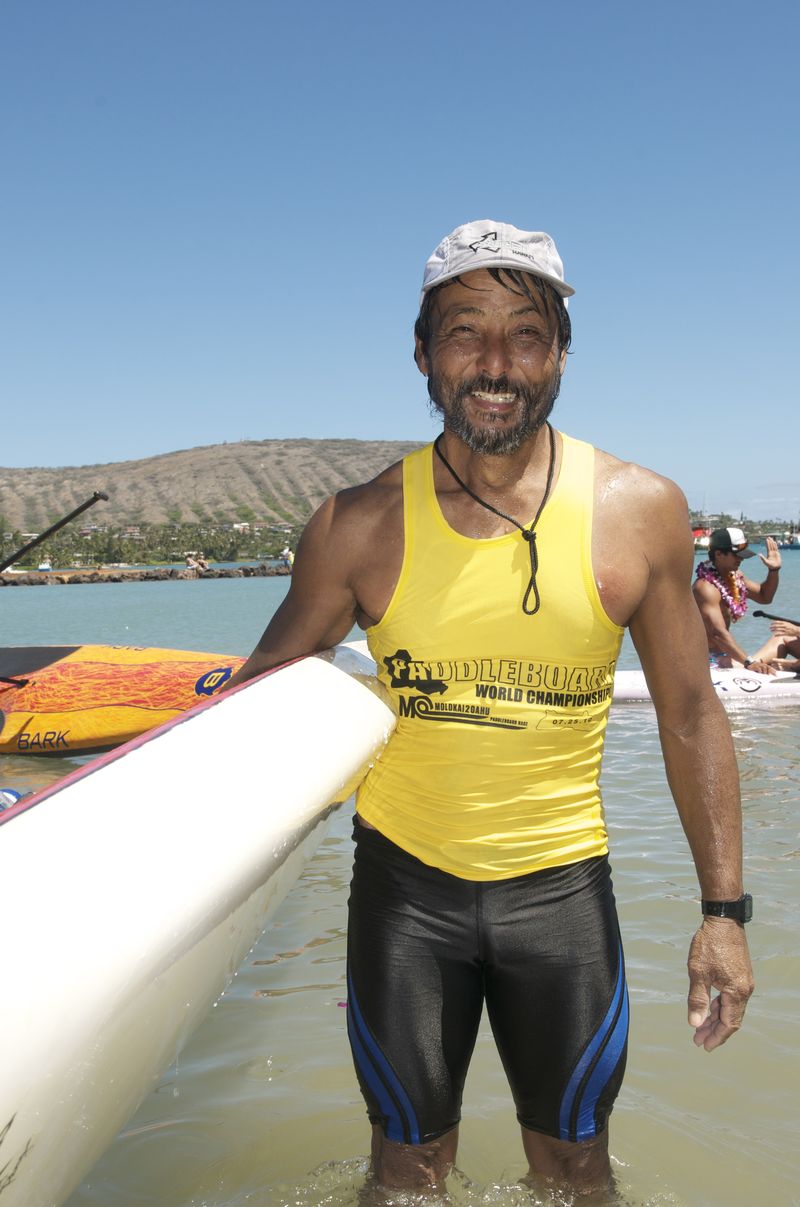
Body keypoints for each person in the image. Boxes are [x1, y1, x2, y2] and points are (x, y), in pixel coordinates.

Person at [226, 220, 753, 1198]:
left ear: (559, 352)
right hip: (402, 899)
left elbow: (689, 716)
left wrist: (721, 914)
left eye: (525, 331)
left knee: (573, 1170)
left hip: (559, 896)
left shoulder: (637, 510)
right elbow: (258, 699)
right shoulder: (354, 524)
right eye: (464, 331)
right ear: (422, 353)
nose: (495, 361)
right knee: (406, 1173)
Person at [692, 527, 782, 671]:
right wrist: (749, 662)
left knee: (781, 642)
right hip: (703, 659)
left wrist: (774, 570)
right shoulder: (705, 588)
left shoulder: (735, 577)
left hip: (725, 655)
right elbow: (718, 633)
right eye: (737, 555)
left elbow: (765, 597)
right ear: (719, 554)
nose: (741, 559)